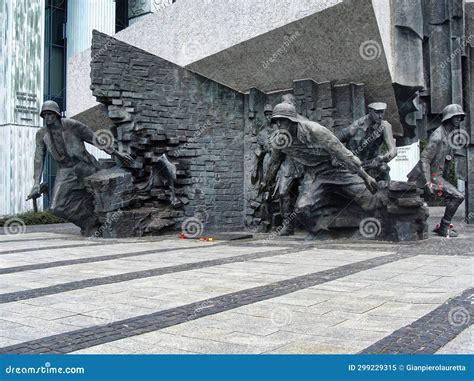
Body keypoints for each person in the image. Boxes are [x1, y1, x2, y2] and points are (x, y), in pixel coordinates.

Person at [263, 101, 380, 236]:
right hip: (314, 174)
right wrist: (266, 182)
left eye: (282, 121)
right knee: (301, 208)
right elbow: (274, 162)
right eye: (276, 121)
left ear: (292, 121)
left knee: (368, 198)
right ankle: (323, 234)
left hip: (336, 168)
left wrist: (365, 176)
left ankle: (381, 225)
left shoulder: (315, 130)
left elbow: (342, 153)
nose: (278, 125)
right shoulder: (279, 140)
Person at [28, 101, 133, 236]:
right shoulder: (41, 134)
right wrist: (36, 182)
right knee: (56, 207)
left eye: (50, 114)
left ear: (57, 114)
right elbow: (38, 158)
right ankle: (90, 222)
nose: (47, 117)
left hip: (85, 165)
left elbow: (95, 139)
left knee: (99, 196)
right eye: (45, 114)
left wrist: (116, 153)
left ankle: (108, 224)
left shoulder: (72, 125)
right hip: (65, 170)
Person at [407, 104, 466, 237]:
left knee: (454, 196)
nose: (458, 119)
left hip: (436, 176)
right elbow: (425, 158)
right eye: (456, 117)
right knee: (458, 196)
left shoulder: (448, 134)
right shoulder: (437, 136)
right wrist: (428, 182)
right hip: (425, 177)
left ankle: (443, 226)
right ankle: (444, 227)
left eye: (460, 117)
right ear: (448, 118)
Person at [336, 102, 397, 183]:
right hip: (352, 168)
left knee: (383, 170)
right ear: (370, 111)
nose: (380, 116)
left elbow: (393, 150)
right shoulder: (356, 126)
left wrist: (383, 158)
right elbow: (335, 141)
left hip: (372, 165)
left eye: (382, 112)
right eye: (377, 112)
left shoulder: (384, 126)